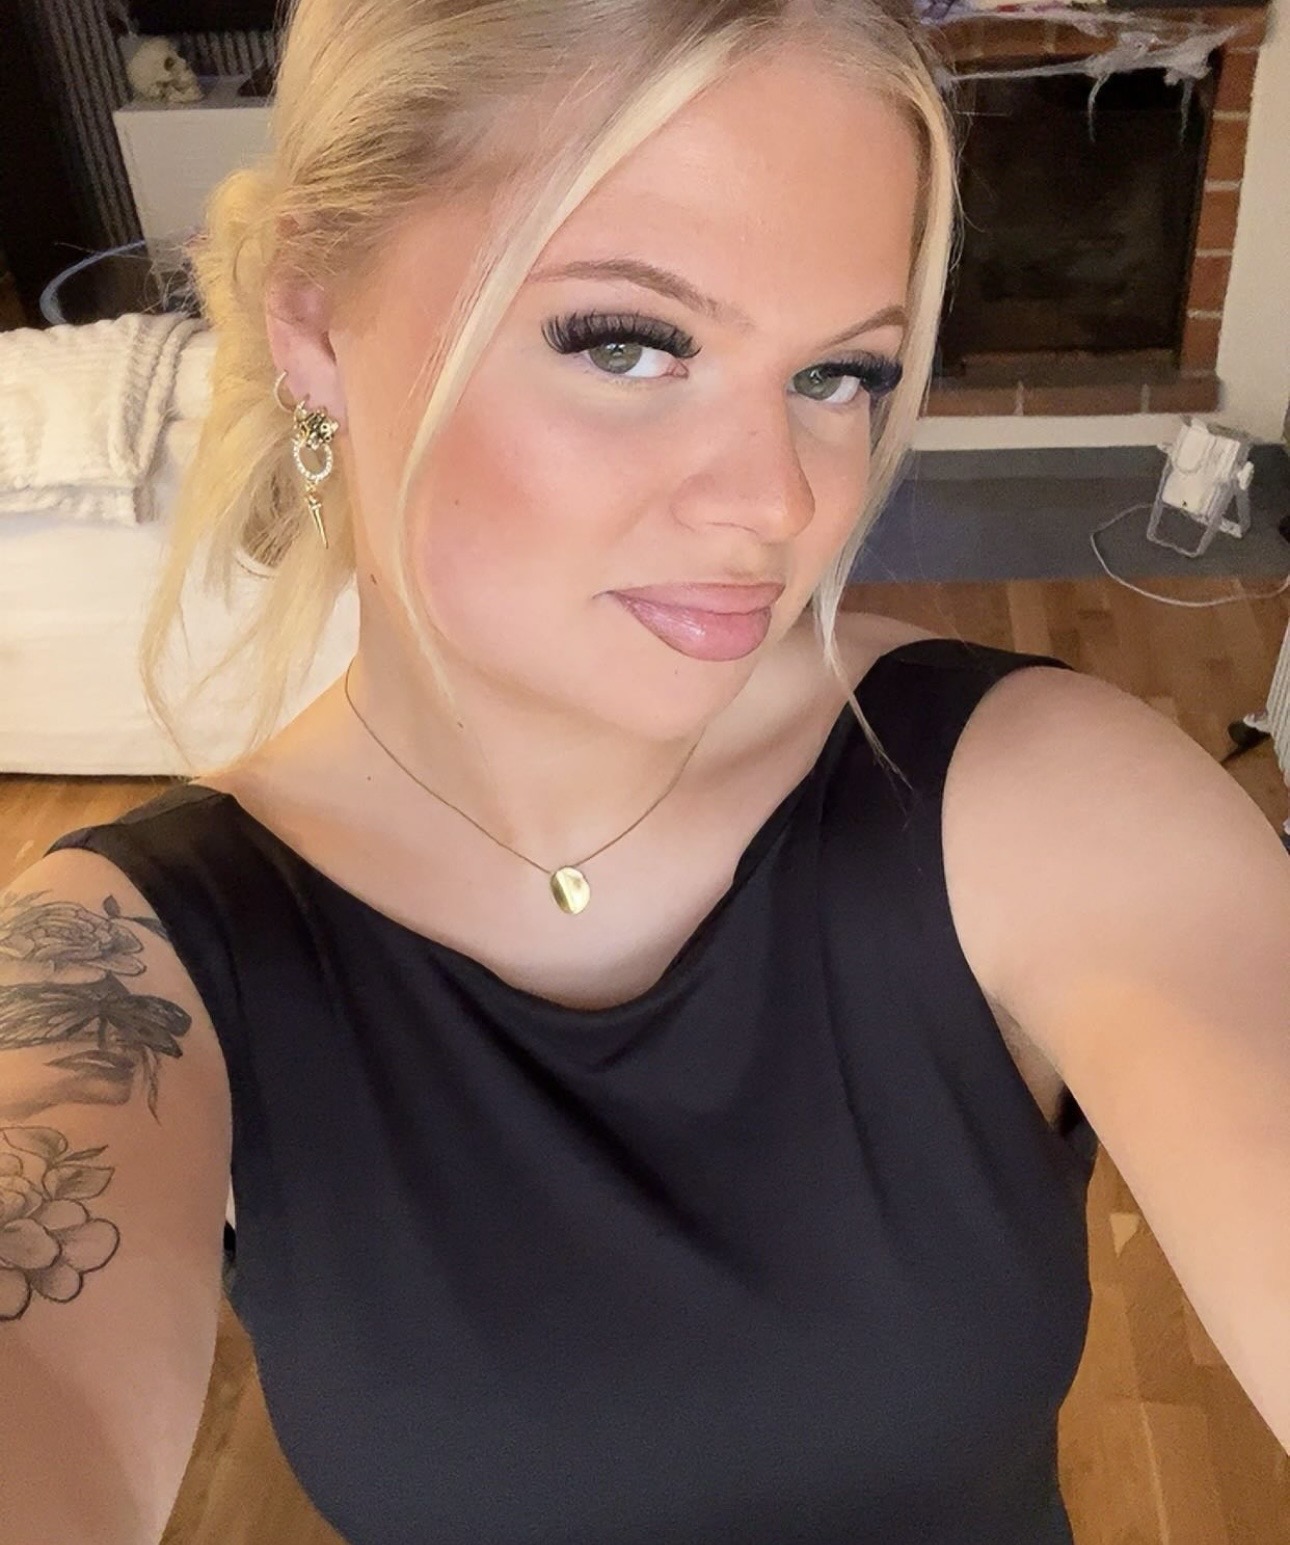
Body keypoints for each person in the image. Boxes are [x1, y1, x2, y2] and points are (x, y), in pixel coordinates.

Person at [3, 1, 1287, 1540]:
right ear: (315, 317)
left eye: (839, 374)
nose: (776, 501)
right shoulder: (119, 967)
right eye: (626, 342)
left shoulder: (1033, 795)